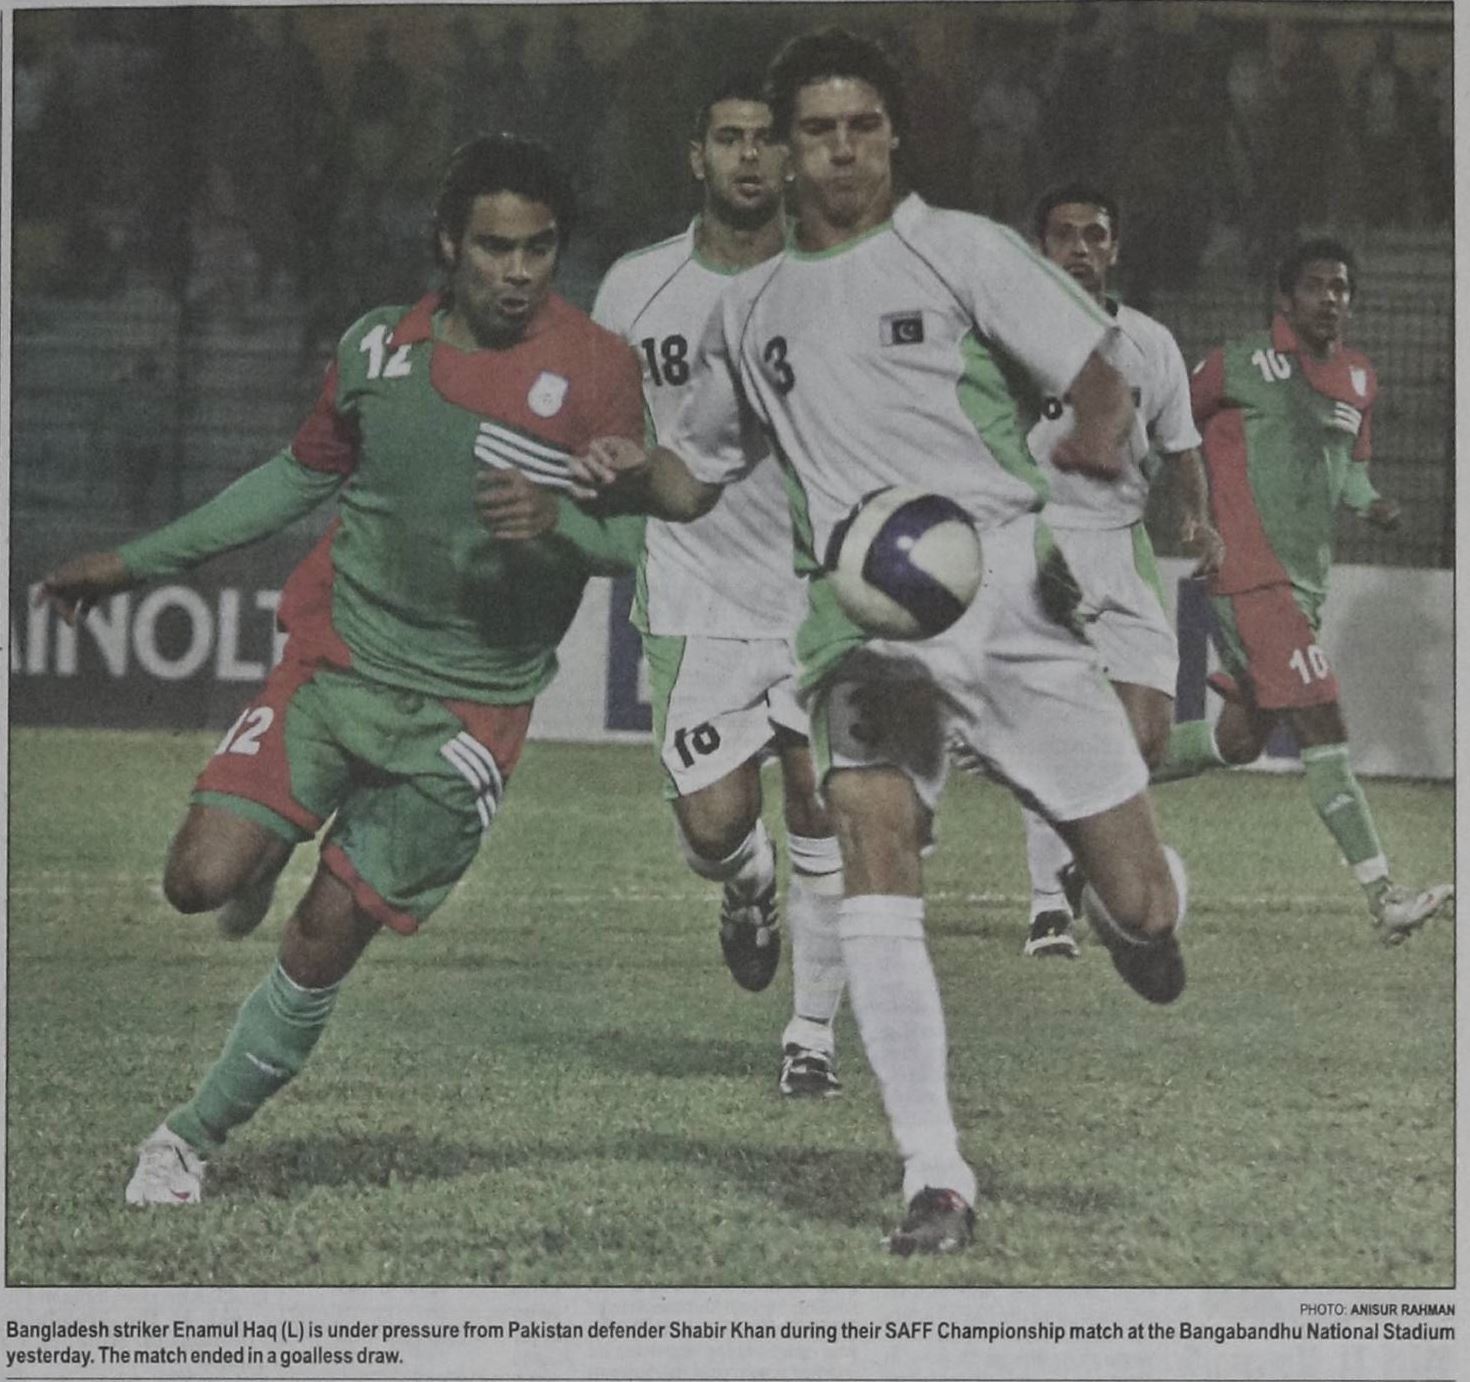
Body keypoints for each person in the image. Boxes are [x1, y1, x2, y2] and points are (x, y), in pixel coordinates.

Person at [573, 28, 1189, 1256]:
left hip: (1006, 598)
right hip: (856, 620)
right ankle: (935, 1172)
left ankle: (1149, 913)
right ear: (787, 147)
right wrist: (633, 473)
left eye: (862, 126)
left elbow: (1100, 373)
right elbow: (698, 476)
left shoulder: (960, 249)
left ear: (895, 136)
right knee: (868, 831)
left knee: (1138, 900)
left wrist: (1093, 431)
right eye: (817, 130)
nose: (841, 149)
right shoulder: (750, 311)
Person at [38, 135, 647, 1206]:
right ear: (447, 244)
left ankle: (186, 1139)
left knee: (323, 936)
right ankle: (263, 849)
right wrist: (137, 564)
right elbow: (293, 478)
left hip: (466, 713)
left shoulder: (600, 369)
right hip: (336, 666)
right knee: (194, 882)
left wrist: (560, 526)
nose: (519, 272)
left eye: (540, 249)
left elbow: (635, 540)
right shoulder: (377, 349)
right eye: (496, 247)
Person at [591, 79, 844, 1097]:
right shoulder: (636, 288)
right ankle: (747, 888)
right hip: (695, 596)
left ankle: (811, 1037)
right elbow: (604, 431)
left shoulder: (836, 282)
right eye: (728, 139)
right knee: (712, 827)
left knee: (821, 803)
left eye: (765, 139)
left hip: (821, 597)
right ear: (697, 156)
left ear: (790, 159)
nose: (748, 155)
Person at [1153, 237, 1452, 942]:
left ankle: (1091, 793)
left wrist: (1372, 504)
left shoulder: (1359, 378)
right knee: (1322, 719)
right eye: (1315, 286)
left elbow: (1352, 470)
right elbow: (1167, 421)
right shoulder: (1238, 362)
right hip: (1253, 576)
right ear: (1286, 299)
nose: (1330, 298)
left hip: (1303, 584)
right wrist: (1192, 512)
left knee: (1238, 740)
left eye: (1341, 287)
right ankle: (1384, 896)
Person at [986, 182, 1223, 959]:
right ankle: (1046, 907)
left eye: (1095, 235)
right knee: (1054, 727)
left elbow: (1183, 447)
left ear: (1114, 249)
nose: (1080, 248)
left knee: (1143, 739)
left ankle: (1079, 862)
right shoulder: (1003, 341)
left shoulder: (1149, 343)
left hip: (1121, 548)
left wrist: (1199, 519)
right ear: (1041, 248)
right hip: (1037, 544)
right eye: (1065, 235)